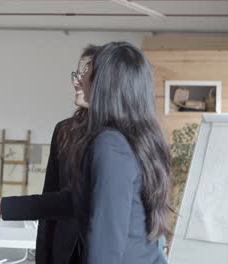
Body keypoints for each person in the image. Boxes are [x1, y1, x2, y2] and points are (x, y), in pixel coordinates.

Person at [0, 45, 99, 264]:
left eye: (86, 75)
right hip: (64, 250)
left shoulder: (126, 139)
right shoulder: (65, 130)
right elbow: (54, 196)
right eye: (78, 74)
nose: (77, 82)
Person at [69, 41, 171, 263]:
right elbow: (78, 200)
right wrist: (4, 206)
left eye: (89, 69)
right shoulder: (137, 138)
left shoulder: (110, 145)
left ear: (105, 83)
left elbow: (105, 247)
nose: (81, 77)